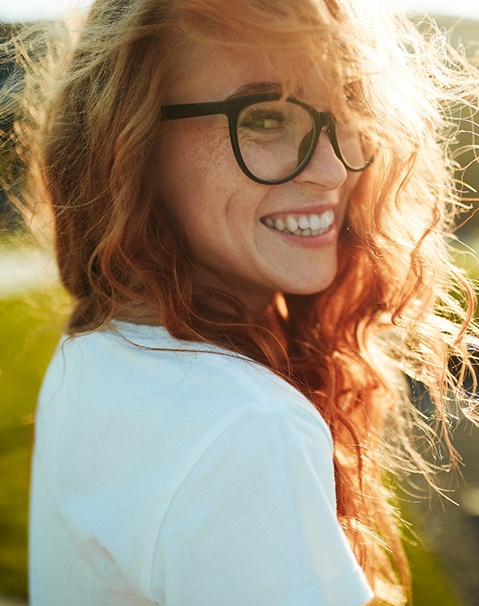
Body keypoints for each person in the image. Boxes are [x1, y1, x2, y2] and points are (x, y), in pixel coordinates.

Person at [3, 0, 479, 604]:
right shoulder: (245, 425)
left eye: (350, 107)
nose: (333, 171)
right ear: (128, 145)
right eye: (265, 117)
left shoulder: (103, 351)